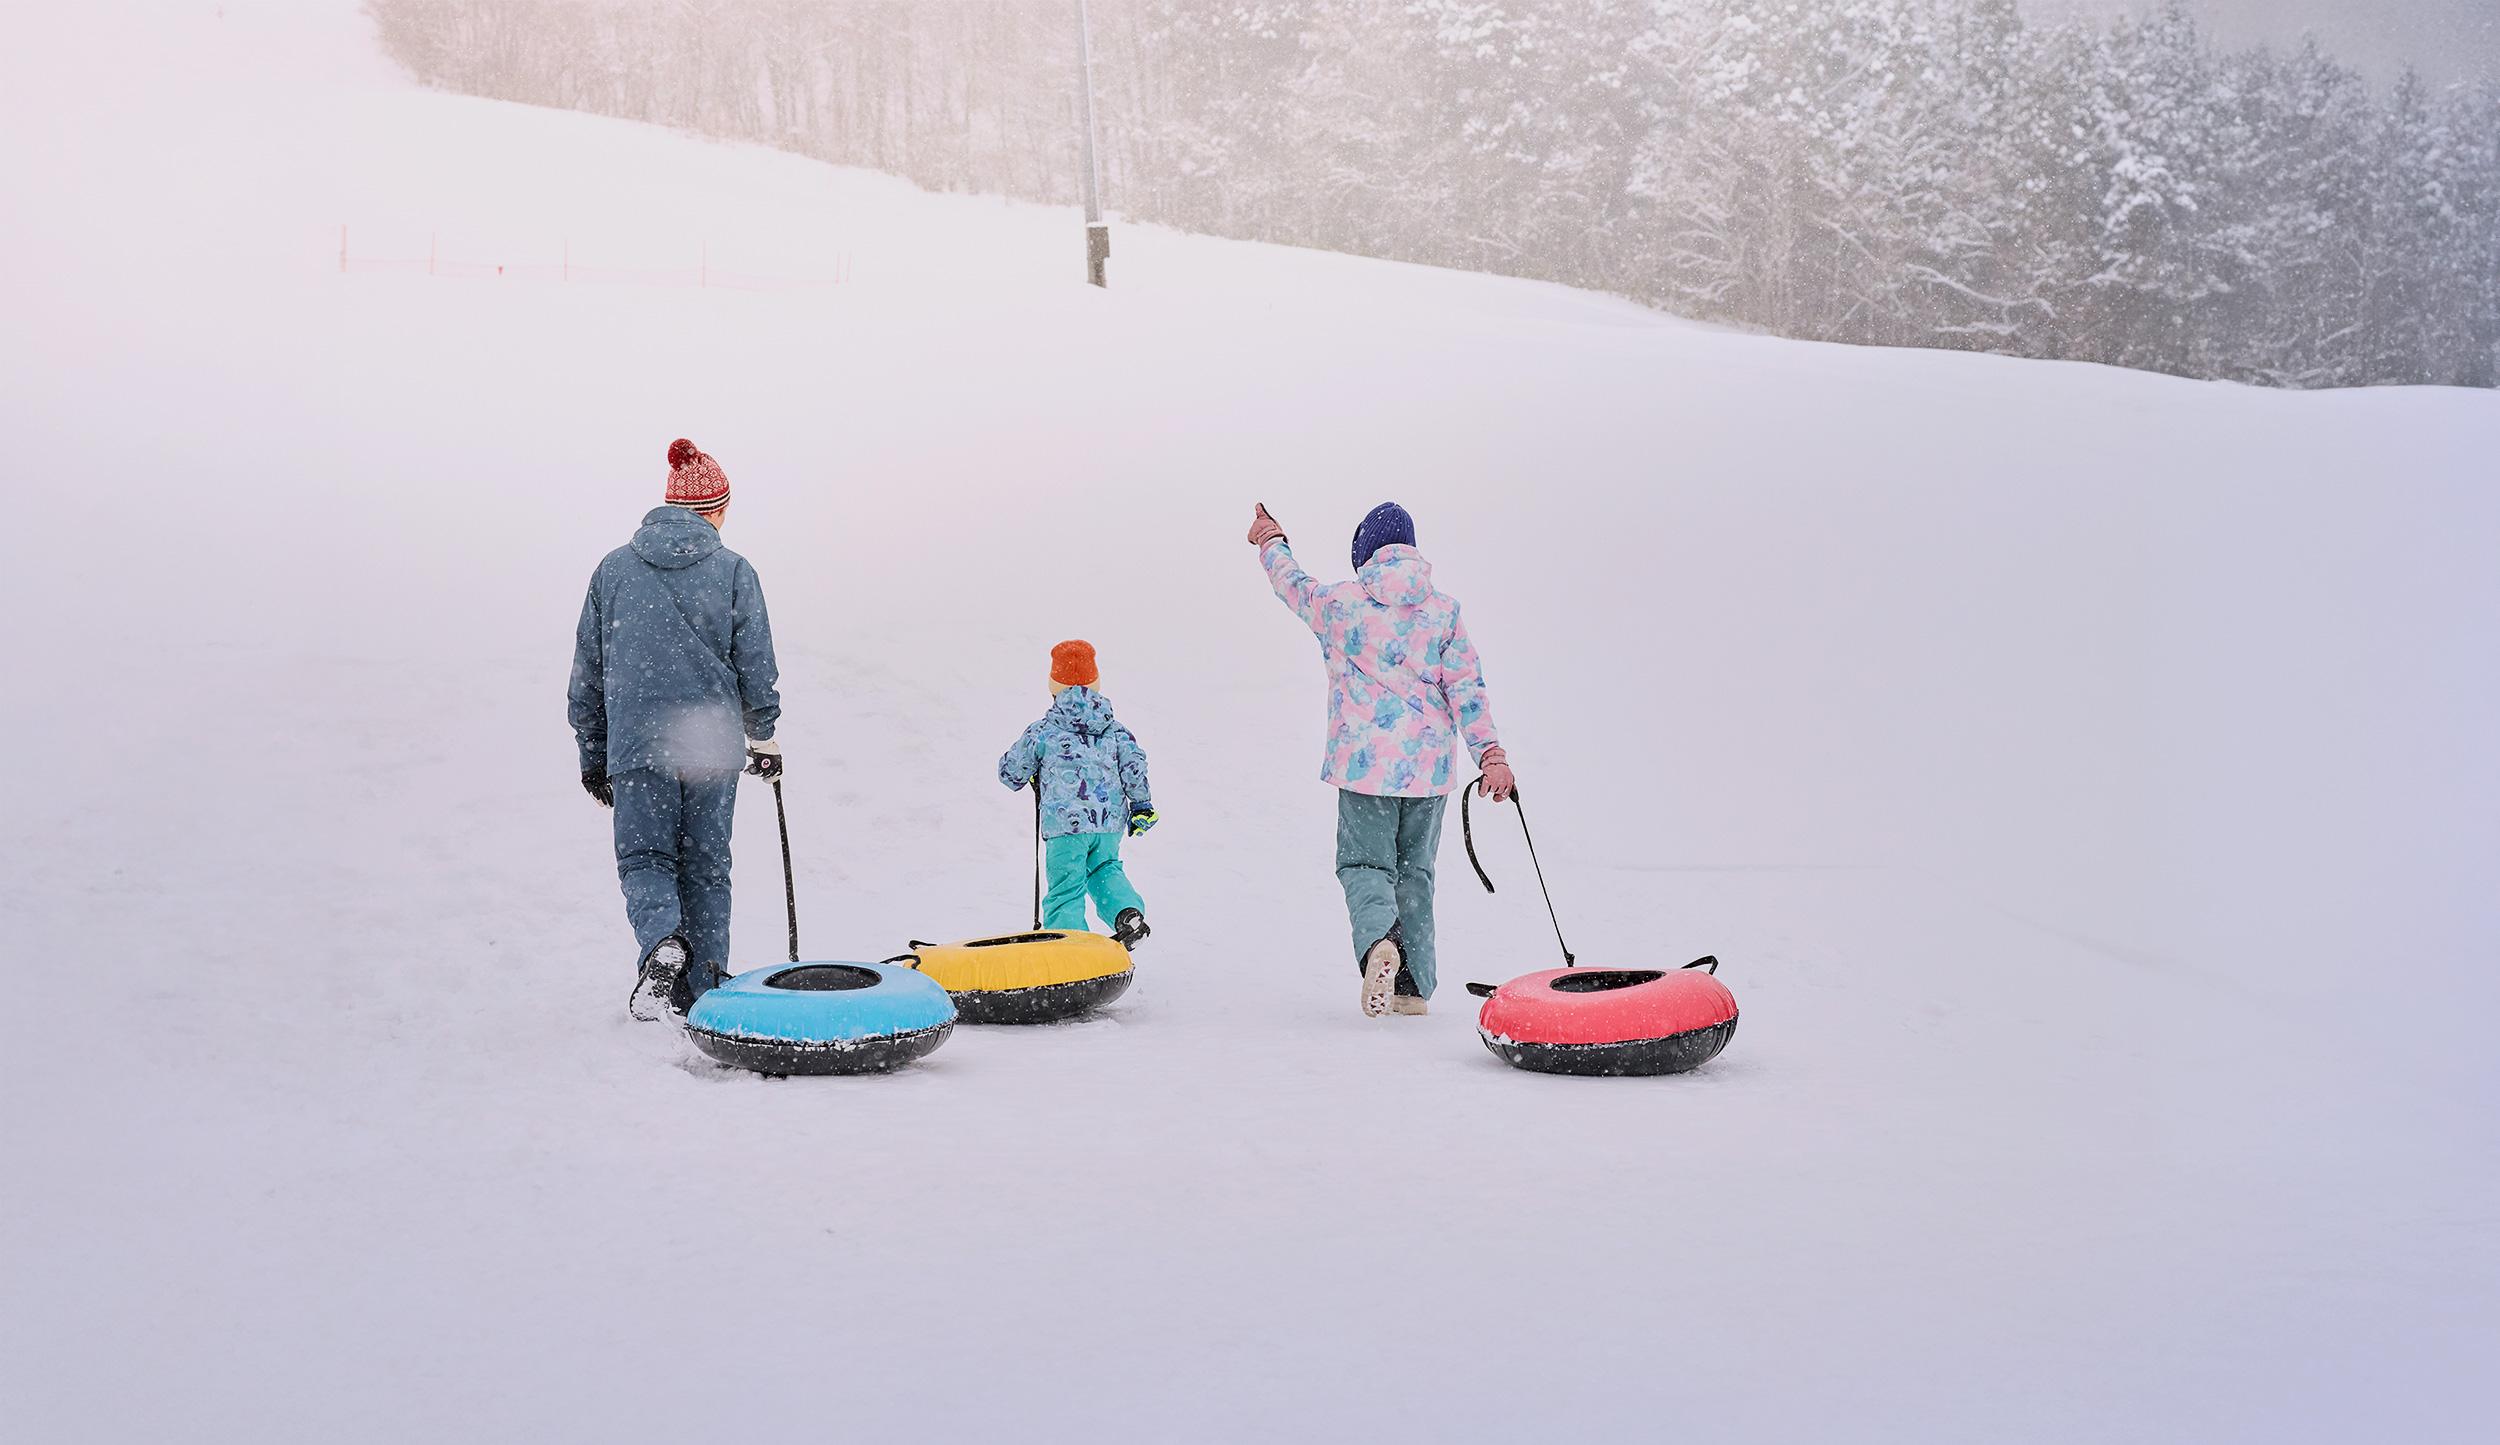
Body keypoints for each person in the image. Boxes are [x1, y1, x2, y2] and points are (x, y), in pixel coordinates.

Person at [1248, 502, 1515, 1018]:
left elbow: (1291, 584)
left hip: (1364, 769)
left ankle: (1379, 944)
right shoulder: (1443, 612)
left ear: (1364, 551)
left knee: (1365, 865)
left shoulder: (1340, 604)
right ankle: (1411, 987)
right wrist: (1491, 754)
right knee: (1415, 873)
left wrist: (1270, 538)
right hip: (1428, 773)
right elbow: (1467, 688)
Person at [569, 439, 783, 1021]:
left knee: (646, 858)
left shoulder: (613, 570)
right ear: (716, 509)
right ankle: (706, 985)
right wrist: (763, 735)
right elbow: (755, 663)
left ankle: (663, 942)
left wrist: (593, 751)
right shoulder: (733, 570)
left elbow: (588, 671)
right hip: (710, 745)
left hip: (638, 743)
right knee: (707, 864)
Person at [998, 640, 1156, 949]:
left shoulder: (1043, 730)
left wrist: (1026, 770)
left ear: (1054, 687)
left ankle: (1071, 950)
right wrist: (1141, 804)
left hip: (1065, 827)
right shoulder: (1116, 730)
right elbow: (1134, 765)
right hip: (1108, 825)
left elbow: (1010, 773)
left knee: (1066, 888)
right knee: (1105, 869)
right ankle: (1126, 913)